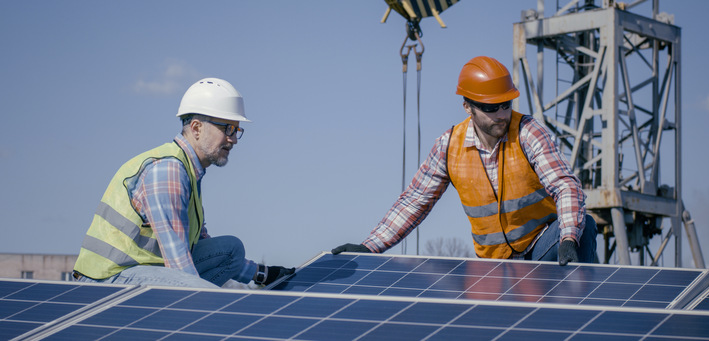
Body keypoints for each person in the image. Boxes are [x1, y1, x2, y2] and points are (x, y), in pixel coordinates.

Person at [332, 56, 597, 266]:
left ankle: (576, 311)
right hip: (494, 266)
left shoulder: (528, 132)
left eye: (506, 104)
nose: (501, 115)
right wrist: (369, 247)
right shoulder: (449, 146)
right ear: (467, 106)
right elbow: (415, 200)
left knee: (586, 226)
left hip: (541, 249)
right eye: (491, 108)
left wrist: (568, 238)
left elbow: (565, 186)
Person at [73, 78, 294, 288]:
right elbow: (179, 265)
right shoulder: (168, 171)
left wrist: (263, 274)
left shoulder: (189, 170)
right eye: (227, 128)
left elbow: (198, 243)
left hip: (141, 270)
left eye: (236, 130)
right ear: (197, 128)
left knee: (231, 250)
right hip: (108, 279)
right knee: (210, 301)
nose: (233, 139)